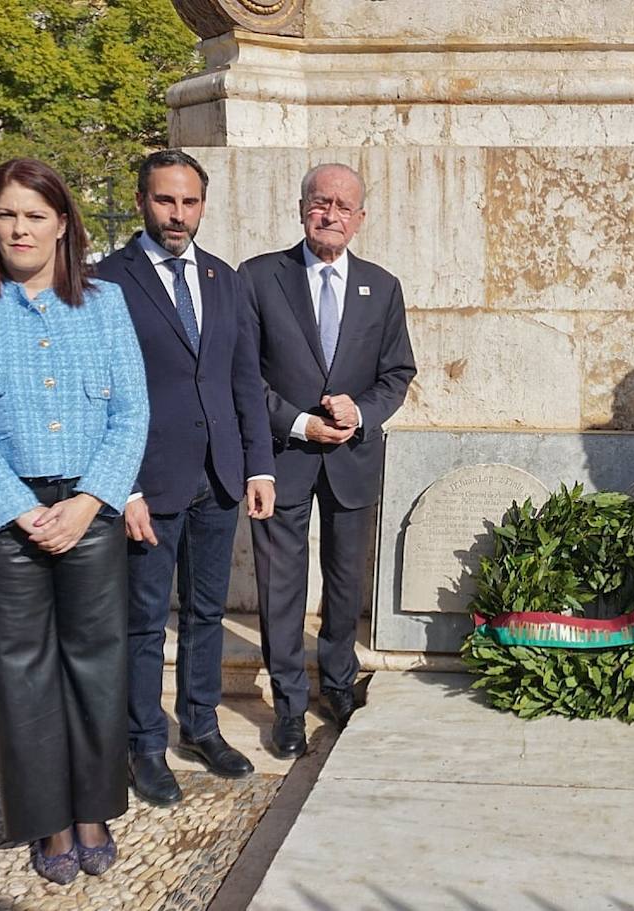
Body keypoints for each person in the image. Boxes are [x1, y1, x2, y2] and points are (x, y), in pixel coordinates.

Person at [0, 158, 148, 883]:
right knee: (22, 671)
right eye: (5, 214)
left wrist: (88, 502)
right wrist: (19, 508)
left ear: (62, 224)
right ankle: (49, 820)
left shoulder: (105, 303)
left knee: (96, 663)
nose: (19, 228)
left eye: (34, 214)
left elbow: (130, 411)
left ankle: (94, 806)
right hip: (5, 516)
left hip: (89, 508)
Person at [95, 150, 277, 807]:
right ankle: (144, 742)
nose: (178, 214)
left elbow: (242, 379)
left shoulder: (224, 279)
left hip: (219, 476)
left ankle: (199, 724)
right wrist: (124, 486)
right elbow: (101, 392)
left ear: (203, 205)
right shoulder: (107, 281)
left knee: (206, 611)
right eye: (166, 201)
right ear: (143, 200)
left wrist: (258, 463)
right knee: (144, 621)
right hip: (147, 481)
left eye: (189, 202)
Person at [239, 163, 416, 758]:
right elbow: (244, 374)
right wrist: (298, 421)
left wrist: (360, 412)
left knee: (345, 583)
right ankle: (289, 702)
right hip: (283, 456)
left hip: (352, 461)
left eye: (344, 206)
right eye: (321, 202)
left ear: (360, 219)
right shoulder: (260, 278)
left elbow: (397, 373)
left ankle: (338, 683)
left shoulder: (382, 286)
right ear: (301, 208)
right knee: (281, 587)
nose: (331, 214)